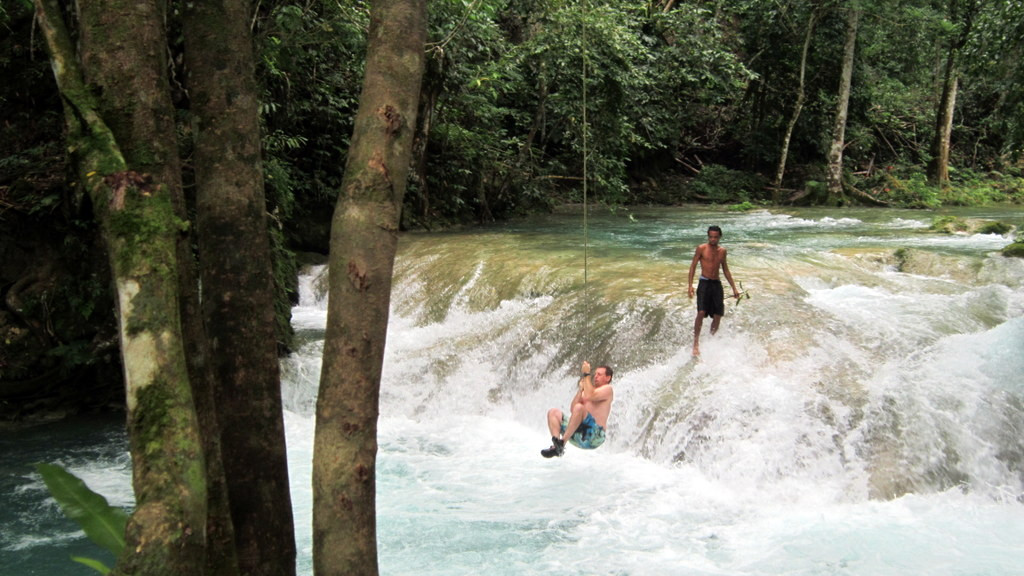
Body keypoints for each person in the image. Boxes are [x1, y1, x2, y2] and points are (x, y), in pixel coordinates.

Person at [541, 361, 614, 458]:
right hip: (578, 433)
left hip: (594, 437)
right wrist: (580, 391)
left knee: (580, 407)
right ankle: (557, 446)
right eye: (595, 374)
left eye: (599, 374)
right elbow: (573, 409)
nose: (596, 376)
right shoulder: (587, 391)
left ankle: (562, 443)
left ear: (608, 378)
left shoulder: (608, 390)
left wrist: (586, 374)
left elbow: (590, 396)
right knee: (553, 412)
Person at [687, 225, 739, 357]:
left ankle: (711, 339)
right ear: (708, 236)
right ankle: (696, 343)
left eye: (715, 237)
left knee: (718, 315)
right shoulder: (701, 248)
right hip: (704, 283)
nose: (713, 239)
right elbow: (693, 266)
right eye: (711, 237)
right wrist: (690, 285)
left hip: (716, 284)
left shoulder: (722, 251)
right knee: (701, 312)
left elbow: (725, 270)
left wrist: (734, 288)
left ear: (719, 237)